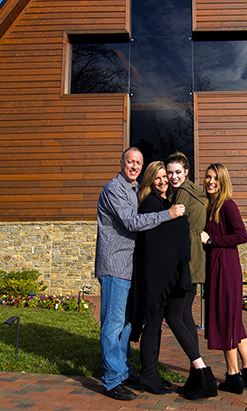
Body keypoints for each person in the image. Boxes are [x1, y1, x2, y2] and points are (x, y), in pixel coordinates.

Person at [95, 147, 185, 401]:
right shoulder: (114, 189)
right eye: (130, 162)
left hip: (129, 267)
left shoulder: (133, 190)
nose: (134, 166)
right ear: (121, 162)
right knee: (113, 325)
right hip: (115, 266)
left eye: (138, 163)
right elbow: (132, 222)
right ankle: (111, 380)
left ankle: (122, 372)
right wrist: (168, 214)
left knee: (124, 324)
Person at [128, 160, 217, 400]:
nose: (164, 180)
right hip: (155, 277)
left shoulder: (167, 201)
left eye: (165, 176)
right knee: (153, 325)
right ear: (150, 180)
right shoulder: (150, 203)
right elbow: (156, 239)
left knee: (158, 325)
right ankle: (149, 374)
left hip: (165, 275)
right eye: (159, 177)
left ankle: (152, 375)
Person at [201, 163, 247, 394]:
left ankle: (233, 375)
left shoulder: (227, 205)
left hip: (226, 270)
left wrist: (211, 241)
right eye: (208, 177)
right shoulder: (211, 205)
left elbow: (241, 235)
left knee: (226, 320)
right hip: (218, 267)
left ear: (223, 181)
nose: (210, 181)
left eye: (215, 178)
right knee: (234, 321)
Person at [165, 152, 217, 398]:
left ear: (186, 172)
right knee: (185, 316)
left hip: (185, 263)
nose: (173, 176)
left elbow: (177, 232)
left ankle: (202, 372)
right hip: (194, 261)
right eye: (170, 172)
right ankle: (196, 377)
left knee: (174, 317)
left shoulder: (182, 196)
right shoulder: (192, 192)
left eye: (178, 172)